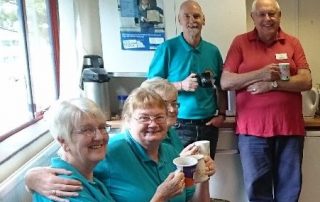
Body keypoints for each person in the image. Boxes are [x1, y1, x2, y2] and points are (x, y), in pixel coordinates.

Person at [25, 88, 215, 202]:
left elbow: (192, 197)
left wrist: (202, 176)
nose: (99, 137)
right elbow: (65, 166)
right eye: (144, 118)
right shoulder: (108, 154)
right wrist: (31, 177)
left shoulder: (171, 152)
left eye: (159, 117)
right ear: (127, 121)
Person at [220, 0, 312, 201]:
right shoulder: (240, 42)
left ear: (279, 16)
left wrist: (273, 85)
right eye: (261, 14)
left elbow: (306, 80)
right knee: (257, 189)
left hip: (289, 129)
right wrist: (259, 74)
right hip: (252, 131)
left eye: (272, 14)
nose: (267, 19)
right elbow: (226, 81)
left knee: (289, 190)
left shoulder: (292, 42)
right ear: (253, 17)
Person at [148, 0, 227, 159]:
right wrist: (181, 85)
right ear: (180, 20)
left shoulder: (213, 51)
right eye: (187, 16)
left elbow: (221, 86)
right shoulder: (167, 48)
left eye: (196, 16)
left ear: (203, 20)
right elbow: (150, 86)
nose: (192, 20)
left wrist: (222, 115)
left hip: (208, 124)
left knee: (205, 173)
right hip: (178, 124)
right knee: (178, 175)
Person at [29, 98, 115, 201]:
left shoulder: (87, 176)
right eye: (87, 130)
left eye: (102, 127)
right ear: (63, 141)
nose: (99, 137)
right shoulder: (67, 189)